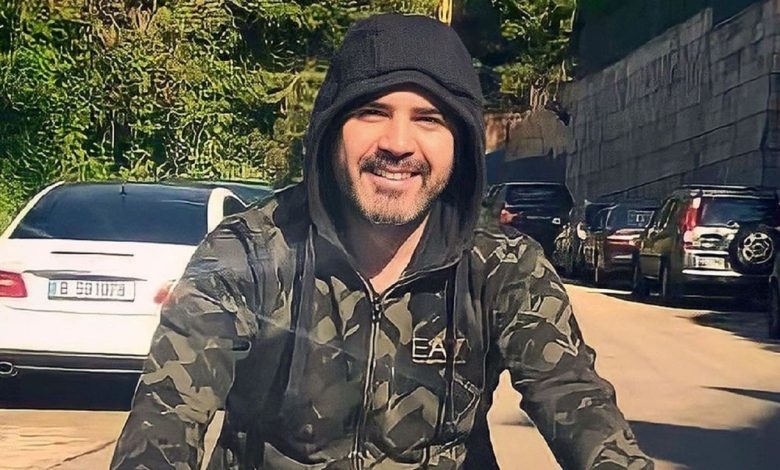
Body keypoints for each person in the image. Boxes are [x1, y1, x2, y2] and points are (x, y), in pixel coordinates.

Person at [111, 13, 653, 470]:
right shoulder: (246, 254)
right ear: (332, 130)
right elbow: (165, 417)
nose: (397, 143)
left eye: (428, 119)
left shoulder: (503, 268)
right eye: (372, 112)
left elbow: (576, 400)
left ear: (461, 143)